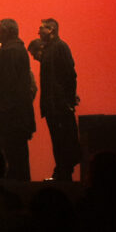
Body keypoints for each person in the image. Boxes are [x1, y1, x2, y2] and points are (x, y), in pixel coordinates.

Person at [0, 18, 35, 181]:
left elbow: (9, 84)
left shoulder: (11, 51)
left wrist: (2, 109)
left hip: (12, 116)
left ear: (7, 31)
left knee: (16, 156)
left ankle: (19, 189)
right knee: (16, 155)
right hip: (15, 114)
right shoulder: (13, 49)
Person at [37, 18, 81, 181]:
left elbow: (70, 74)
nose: (38, 31)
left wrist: (68, 99)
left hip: (58, 104)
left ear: (51, 30)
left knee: (62, 139)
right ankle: (62, 171)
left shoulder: (60, 47)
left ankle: (63, 172)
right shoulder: (50, 48)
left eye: (41, 28)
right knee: (58, 139)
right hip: (53, 104)